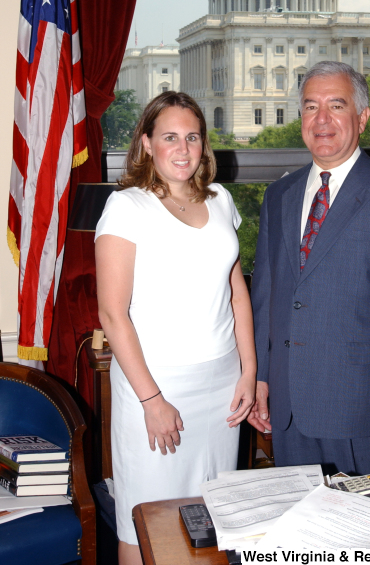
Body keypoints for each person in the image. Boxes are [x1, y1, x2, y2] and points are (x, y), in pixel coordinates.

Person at [247, 61, 370, 475]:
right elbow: (267, 298)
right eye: (310, 106)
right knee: (304, 532)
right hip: (289, 407)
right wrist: (259, 378)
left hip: (364, 410)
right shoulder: (279, 196)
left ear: (362, 117)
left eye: (336, 105)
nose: (322, 120)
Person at [95, 92, 256, 565]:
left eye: (192, 137)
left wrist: (247, 372)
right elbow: (112, 314)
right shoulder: (126, 207)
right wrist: (151, 400)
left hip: (222, 385)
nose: (183, 149)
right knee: (144, 521)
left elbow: (237, 293)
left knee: (210, 519)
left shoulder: (221, 199)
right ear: (146, 143)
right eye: (169, 137)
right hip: (158, 386)